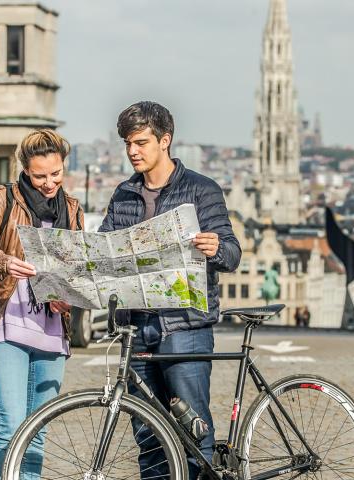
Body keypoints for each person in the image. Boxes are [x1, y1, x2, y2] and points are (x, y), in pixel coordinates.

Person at [99, 101, 241, 479]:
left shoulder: (200, 190)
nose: (133, 151)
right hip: (137, 328)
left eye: (141, 142)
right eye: (128, 143)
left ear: (165, 140)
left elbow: (232, 253)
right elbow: (105, 252)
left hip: (184, 328)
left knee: (193, 434)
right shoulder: (123, 194)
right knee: (148, 439)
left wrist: (216, 248)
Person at [0, 129, 83, 480]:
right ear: (26, 171)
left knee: (38, 434)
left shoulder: (73, 209)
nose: (49, 183)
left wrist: (68, 297)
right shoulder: (4, 198)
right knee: (11, 426)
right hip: (7, 323)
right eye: (40, 175)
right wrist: (2, 260)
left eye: (56, 174)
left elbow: (74, 269)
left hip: (51, 331)